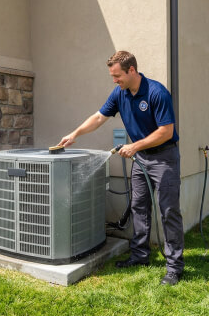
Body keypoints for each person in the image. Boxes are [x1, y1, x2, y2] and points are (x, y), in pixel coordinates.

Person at [58, 51, 184, 285]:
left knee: (168, 212)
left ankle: (174, 267)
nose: (114, 81)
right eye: (112, 76)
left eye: (117, 76)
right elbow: (98, 117)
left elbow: (166, 131)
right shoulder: (120, 93)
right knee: (138, 207)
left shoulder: (157, 93)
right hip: (141, 158)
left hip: (164, 158)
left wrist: (134, 146)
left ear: (132, 71)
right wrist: (75, 133)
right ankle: (140, 256)